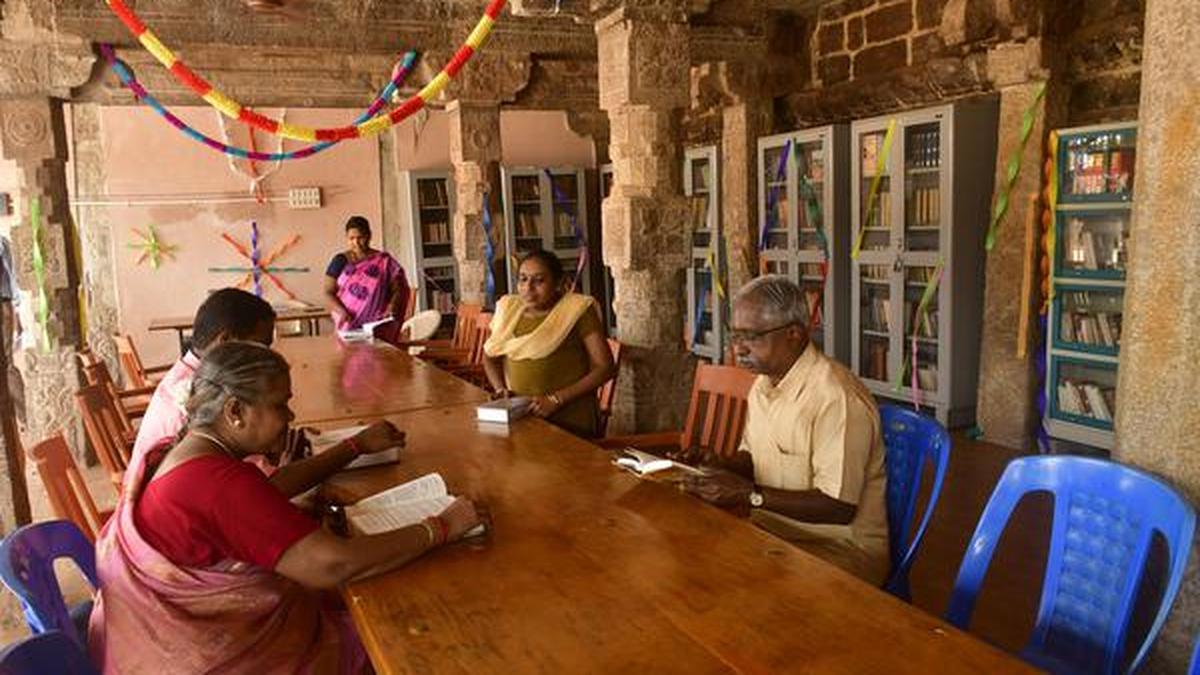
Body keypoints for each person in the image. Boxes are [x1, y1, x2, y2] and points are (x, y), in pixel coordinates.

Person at [90, 341, 482, 674]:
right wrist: (442, 526)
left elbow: (268, 489)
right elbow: (332, 565)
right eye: (281, 405)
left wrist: (355, 446)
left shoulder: (189, 452)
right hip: (221, 658)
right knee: (407, 636)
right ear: (234, 412)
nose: (290, 418)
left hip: (165, 646)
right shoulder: (217, 484)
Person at [679, 276, 889, 585]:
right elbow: (752, 456)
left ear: (794, 334)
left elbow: (839, 507)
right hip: (773, 532)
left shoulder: (835, 396)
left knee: (733, 584)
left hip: (840, 549)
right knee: (693, 560)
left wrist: (748, 495)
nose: (738, 349)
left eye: (751, 336)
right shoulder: (763, 384)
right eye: (735, 335)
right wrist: (721, 465)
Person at [131, 288, 277, 481]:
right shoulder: (200, 395)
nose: (265, 357)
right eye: (260, 347)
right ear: (225, 341)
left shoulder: (188, 374)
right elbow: (267, 483)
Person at [482, 250, 615, 438]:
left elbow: (605, 367)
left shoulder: (576, 310)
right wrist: (500, 389)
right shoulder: (508, 310)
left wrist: (556, 399)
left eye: (539, 280)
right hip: (522, 417)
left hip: (570, 420)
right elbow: (489, 356)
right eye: (523, 279)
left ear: (559, 283)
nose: (528, 287)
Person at [323, 215, 409, 333]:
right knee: (348, 351)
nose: (356, 242)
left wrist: (392, 305)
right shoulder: (340, 260)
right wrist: (341, 311)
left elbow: (398, 289)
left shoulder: (384, 260)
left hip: (376, 325)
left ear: (369, 236)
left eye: (360, 237)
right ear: (346, 238)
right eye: (351, 238)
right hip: (348, 322)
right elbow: (328, 292)